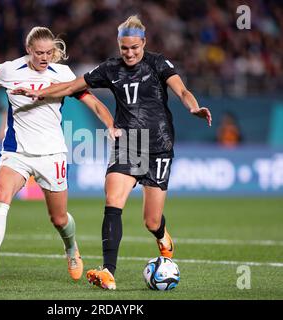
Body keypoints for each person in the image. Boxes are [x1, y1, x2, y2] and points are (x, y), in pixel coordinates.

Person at [12, 16, 212, 290]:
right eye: (124, 48)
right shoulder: (110, 69)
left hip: (159, 145)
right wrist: (38, 93)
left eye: (134, 48)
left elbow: (182, 90)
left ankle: (161, 233)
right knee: (113, 199)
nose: (129, 53)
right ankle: (108, 271)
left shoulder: (158, 63)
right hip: (128, 141)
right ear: (119, 45)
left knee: (151, 220)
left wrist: (193, 107)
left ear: (143, 43)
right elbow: (71, 86)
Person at [0, 26, 119, 284]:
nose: (44, 57)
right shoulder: (9, 70)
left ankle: (71, 248)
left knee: (59, 218)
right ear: (29, 50)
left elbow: (94, 103)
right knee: (0, 196)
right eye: (39, 52)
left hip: (51, 154)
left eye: (49, 52)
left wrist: (110, 125)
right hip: (16, 151)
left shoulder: (63, 73)